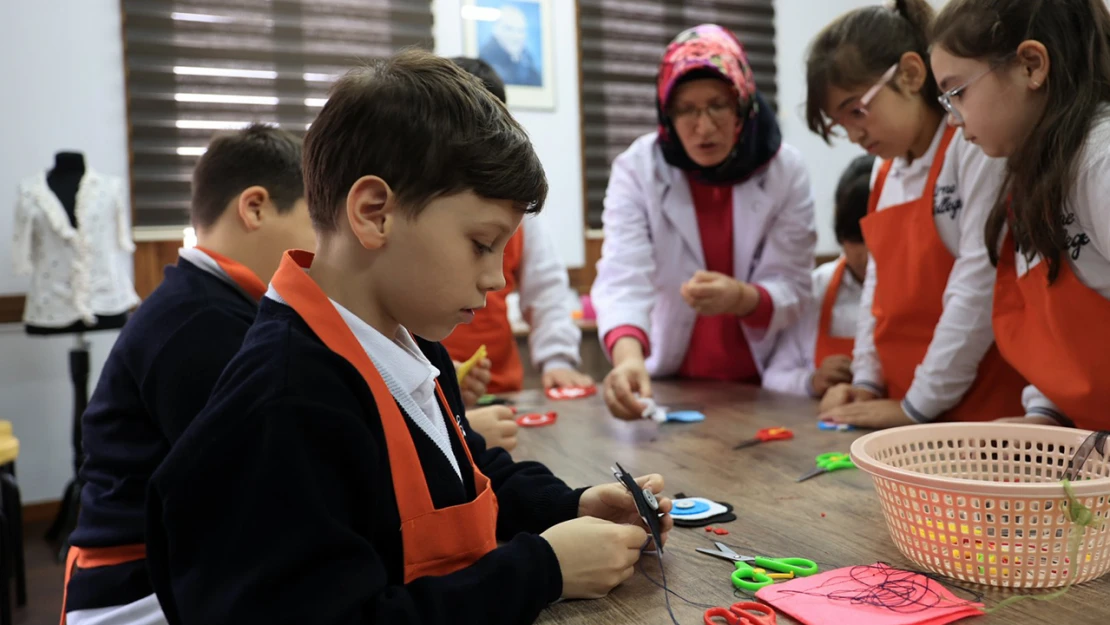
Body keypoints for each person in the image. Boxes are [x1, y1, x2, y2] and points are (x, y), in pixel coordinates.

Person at [144, 50, 673, 625]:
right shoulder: (287, 402)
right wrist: (541, 569)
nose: (498, 279)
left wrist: (567, 505)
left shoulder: (407, 345)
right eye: (480, 243)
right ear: (374, 214)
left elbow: (464, 468)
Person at [61, 124, 315, 625]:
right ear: (255, 207)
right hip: (136, 591)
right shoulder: (198, 324)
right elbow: (272, 476)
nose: (323, 244)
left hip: (179, 567)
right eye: (317, 219)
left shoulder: (218, 306)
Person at [806, 0, 1026, 429]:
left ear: (910, 74)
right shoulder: (882, 173)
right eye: (840, 123)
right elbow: (877, 287)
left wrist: (917, 406)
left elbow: (977, 290)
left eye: (857, 110)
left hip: (981, 413)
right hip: (907, 415)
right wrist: (867, 382)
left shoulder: (974, 146)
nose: (854, 134)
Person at [591, 24, 817, 420]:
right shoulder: (638, 169)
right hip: (670, 379)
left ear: (743, 101)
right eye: (687, 110)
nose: (705, 126)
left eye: (718, 105)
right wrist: (628, 359)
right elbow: (623, 277)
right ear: (666, 111)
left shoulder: (784, 170)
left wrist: (741, 298)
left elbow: (795, 285)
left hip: (766, 382)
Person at [930, 0, 1110, 431]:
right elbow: (1068, 341)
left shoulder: (1100, 161)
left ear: (1032, 65)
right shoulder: (1034, 167)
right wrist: (1045, 415)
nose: (953, 121)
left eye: (957, 94)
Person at [444, 56, 592, 452]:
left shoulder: (519, 216)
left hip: (501, 395)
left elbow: (547, 293)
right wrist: (436, 377)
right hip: (434, 399)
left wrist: (558, 360)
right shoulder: (431, 216)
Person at [763, 155, 874, 398]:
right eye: (857, 240)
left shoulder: (925, 290)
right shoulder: (816, 288)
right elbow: (773, 377)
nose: (869, 255)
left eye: (879, 241)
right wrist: (811, 381)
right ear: (840, 233)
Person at [480, 4, 542, 87]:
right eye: (509, 29)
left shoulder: (528, 64)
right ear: (496, 30)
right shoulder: (484, 63)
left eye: (520, 31)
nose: (516, 36)